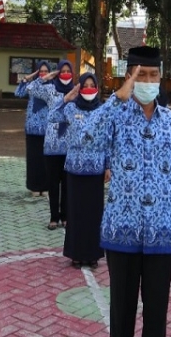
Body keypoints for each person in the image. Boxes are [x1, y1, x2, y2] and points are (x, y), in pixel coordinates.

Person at [85, 46, 171, 337]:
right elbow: (86, 134)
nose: (147, 80)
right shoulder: (115, 116)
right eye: (139, 75)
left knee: (157, 307)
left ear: (161, 78)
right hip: (122, 231)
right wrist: (118, 96)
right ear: (129, 77)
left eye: (152, 75)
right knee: (122, 307)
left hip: (161, 231)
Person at [56, 72, 106, 267]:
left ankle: (92, 254)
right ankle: (76, 254)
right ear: (79, 88)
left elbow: (108, 140)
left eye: (92, 84)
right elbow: (53, 118)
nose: (88, 88)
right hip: (75, 169)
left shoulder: (102, 110)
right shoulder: (71, 108)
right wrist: (65, 99)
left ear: (97, 87)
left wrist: (108, 165)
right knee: (76, 213)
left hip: (96, 169)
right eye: (84, 85)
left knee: (94, 214)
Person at [28, 60, 75, 229]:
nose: (65, 74)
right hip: (52, 145)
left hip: (70, 146)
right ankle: (54, 217)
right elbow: (30, 88)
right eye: (61, 71)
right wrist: (47, 77)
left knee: (67, 184)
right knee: (53, 184)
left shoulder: (76, 91)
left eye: (68, 71)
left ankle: (65, 216)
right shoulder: (50, 90)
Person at [15, 61, 52, 197]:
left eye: (45, 71)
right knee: (33, 160)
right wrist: (27, 78)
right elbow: (18, 93)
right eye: (40, 71)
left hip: (47, 130)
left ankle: (46, 187)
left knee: (46, 161)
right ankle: (34, 187)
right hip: (32, 130)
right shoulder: (32, 86)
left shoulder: (52, 87)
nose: (43, 74)